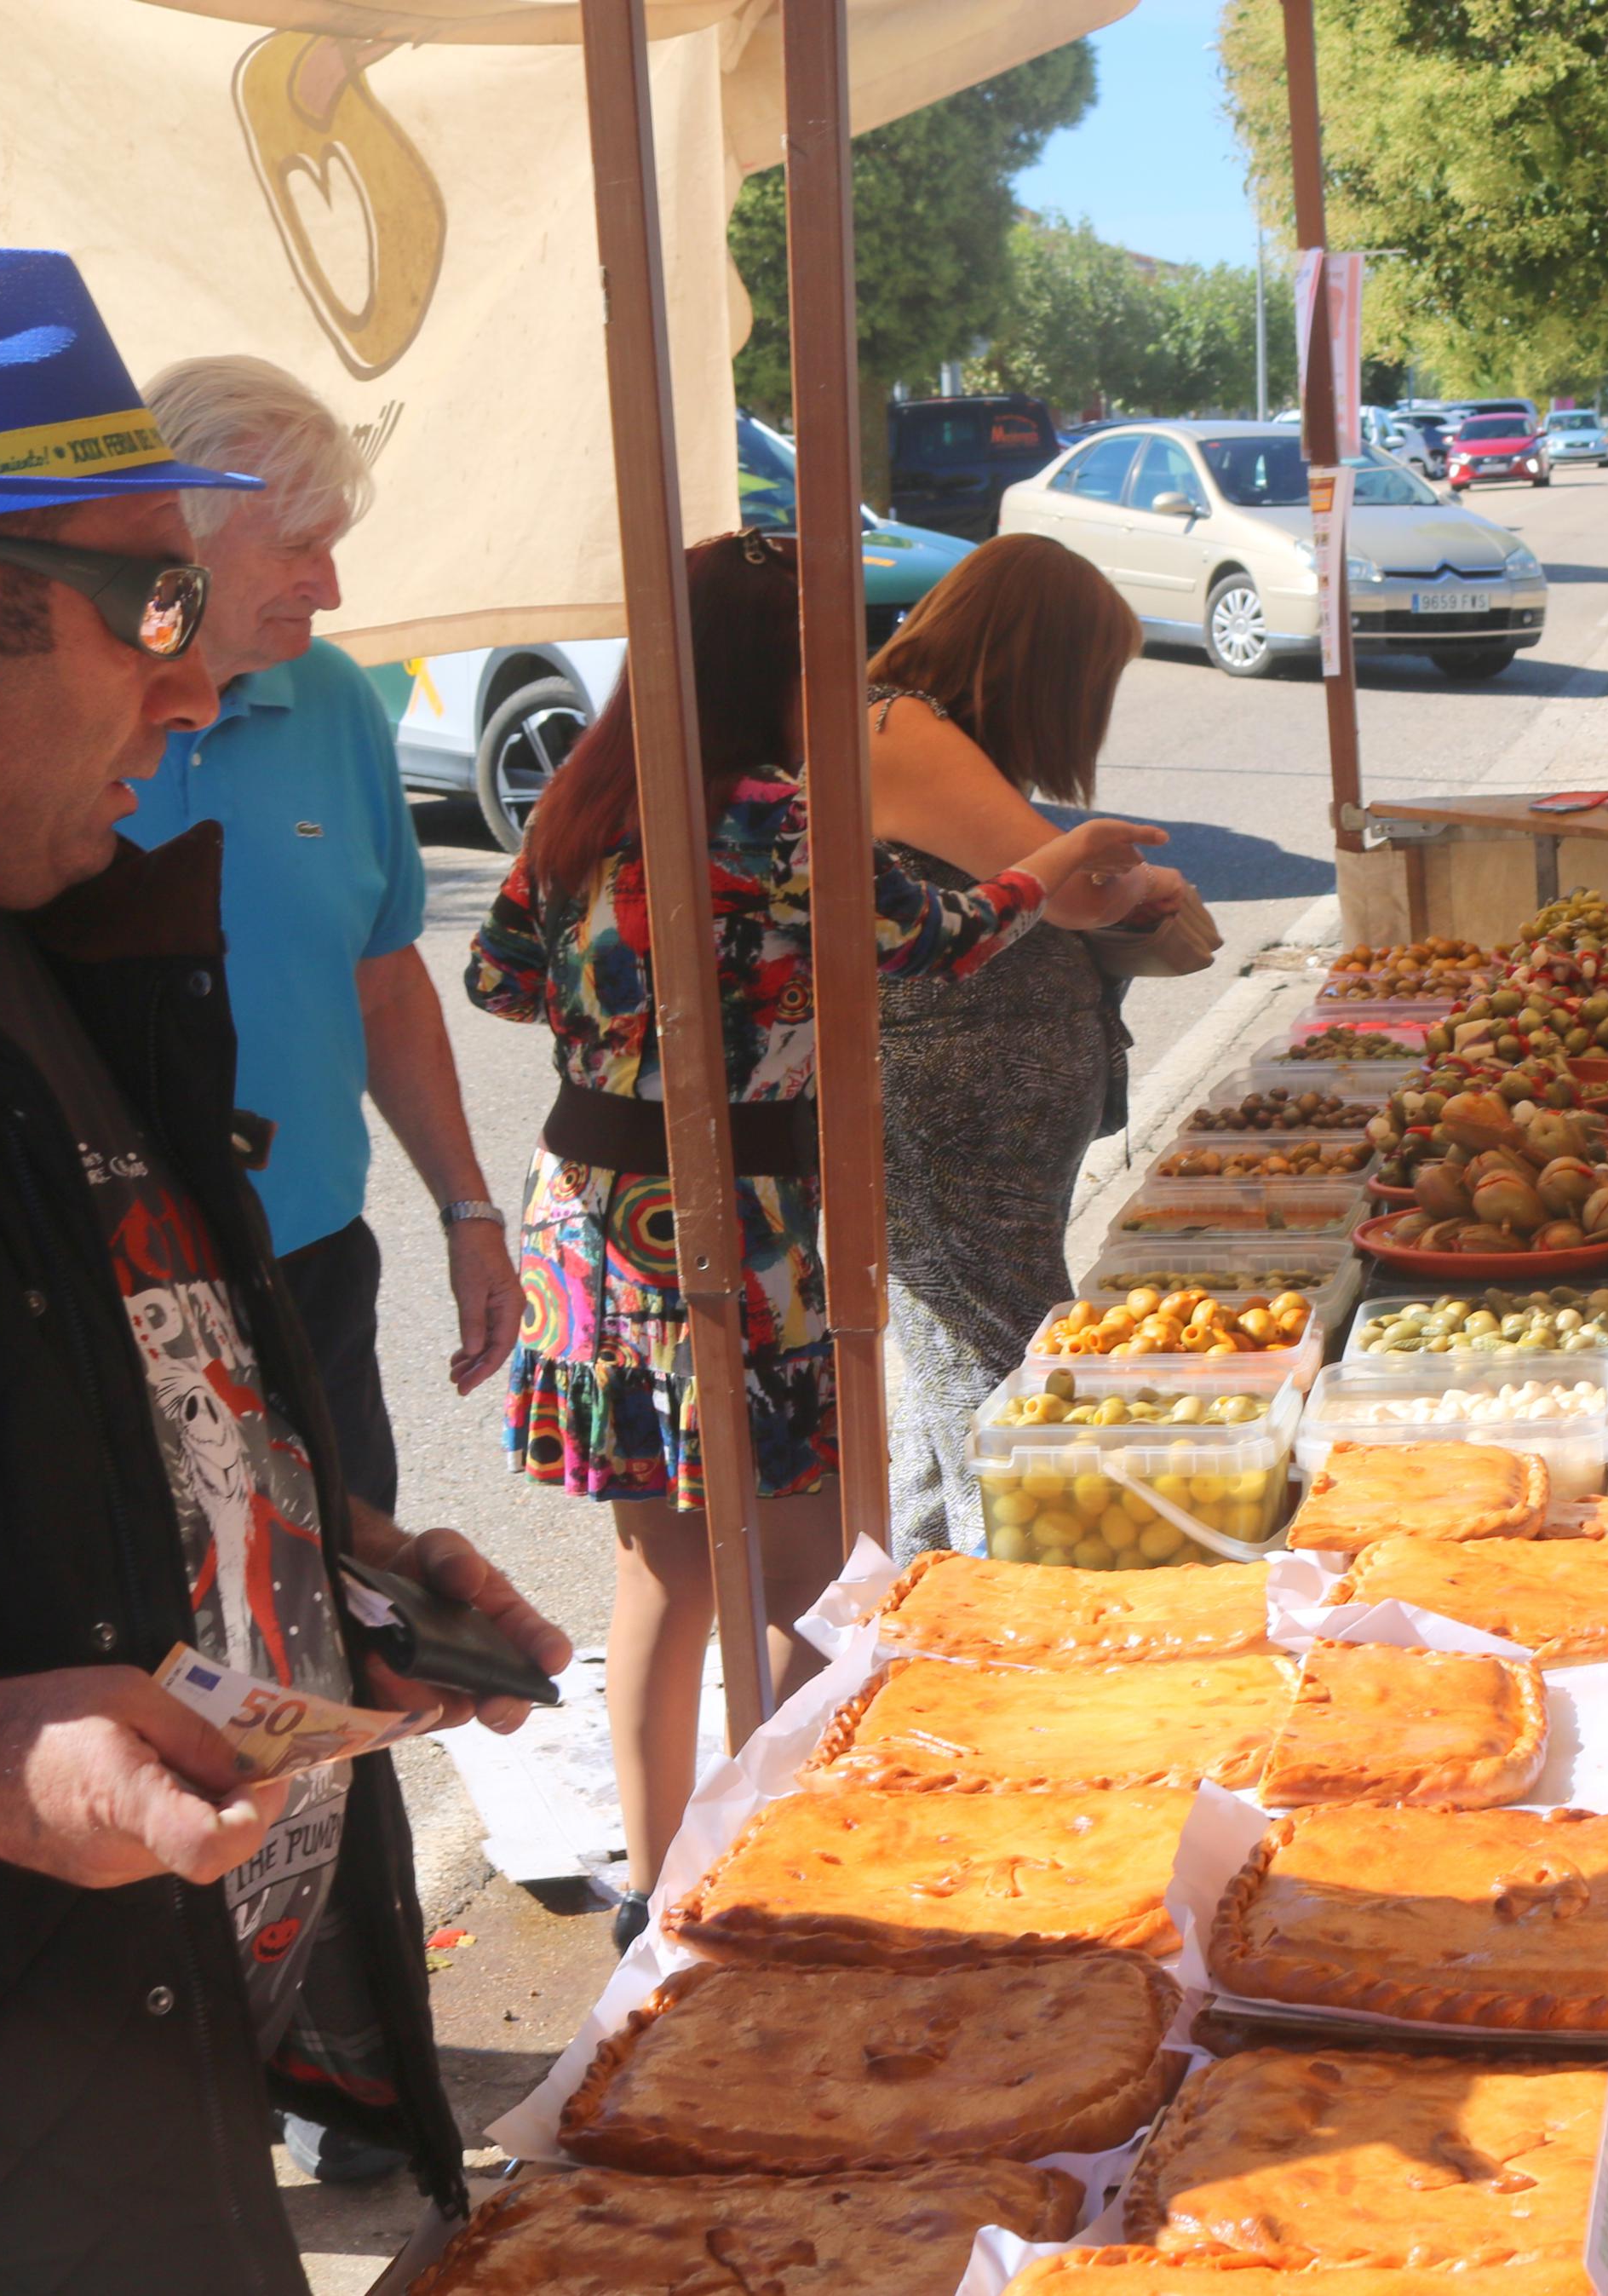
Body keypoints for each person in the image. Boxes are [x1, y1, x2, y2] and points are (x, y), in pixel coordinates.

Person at [0, 247, 569, 2283]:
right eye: (154, 600)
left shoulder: (58, 924)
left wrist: (332, 1576)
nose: (200, 676)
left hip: (165, 2094)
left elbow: (83, 1398)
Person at [468, 530, 1165, 1934]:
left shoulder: (583, 804)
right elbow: (945, 936)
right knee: (794, 1578)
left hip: (588, 1211)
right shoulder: (783, 822)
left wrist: (645, 1024)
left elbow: (497, 980)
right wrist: (1063, 866)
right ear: (771, 671)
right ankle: (768, 1859)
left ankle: (662, 1877)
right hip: (738, 1225)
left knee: (658, 1568)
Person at [118, 354, 517, 1541]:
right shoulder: (58, 704)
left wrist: (466, 1210)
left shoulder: (334, 698)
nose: (330, 587)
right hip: (104, 1282)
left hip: (309, 1263)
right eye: (298, 547)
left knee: (347, 1609)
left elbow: (382, 973)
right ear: (178, 534)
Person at [860, 532, 1183, 1556]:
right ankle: (1008, 1622)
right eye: (1093, 678)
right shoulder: (900, 723)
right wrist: (1143, 887)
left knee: (958, 1377)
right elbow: (1076, 888)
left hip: (981, 1125)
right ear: (1035, 659)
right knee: (1010, 1396)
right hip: (944, 1124)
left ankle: (911, 1608)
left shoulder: (925, 728)